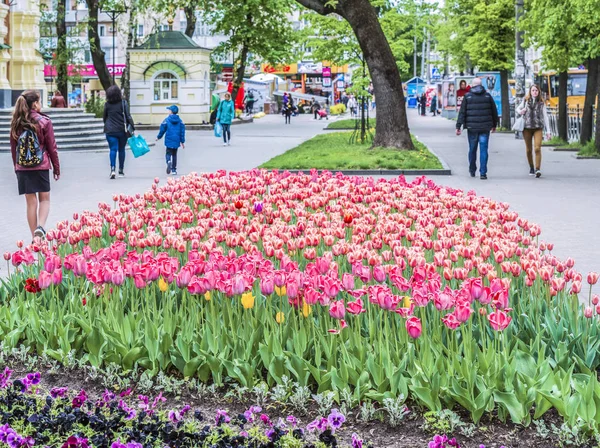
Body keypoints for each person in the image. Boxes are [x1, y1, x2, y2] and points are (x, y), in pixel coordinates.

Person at [9, 90, 60, 240]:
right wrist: (56, 168)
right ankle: (41, 227)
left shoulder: (16, 122)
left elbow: (14, 148)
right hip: (41, 165)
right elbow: (52, 147)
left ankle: (35, 239)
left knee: (31, 203)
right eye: (39, 101)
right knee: (44, 199)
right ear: (35, 104)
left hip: (23, 168)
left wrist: (16, 168)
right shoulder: (44, 121)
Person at [456, 78, 498, 180]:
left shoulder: (468, 96)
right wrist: (494, 125)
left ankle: (472, 169)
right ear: (481, 85)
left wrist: (458, 126)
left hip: (472, 128)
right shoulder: (487, 96)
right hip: (485, 128)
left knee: (472, 149)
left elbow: (462, 112)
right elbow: (494, 111)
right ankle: (483, 173)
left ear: (472, 85)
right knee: (484, 150)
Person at [516, 84, 551, 178]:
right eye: (533, 90)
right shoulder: (526, 100)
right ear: (530, 91)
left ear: (539, 92)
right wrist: (521, 111)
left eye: (536, 90)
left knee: (537, 148)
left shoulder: (541, 102)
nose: (535, 92)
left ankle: (537, 169)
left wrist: (548, 131)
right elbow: (517, 109)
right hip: (527, 128)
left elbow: (545, 117)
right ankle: (531, 167)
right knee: (528, 149)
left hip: (538, 127)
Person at [103, 85, 134, 179]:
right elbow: (128, 116)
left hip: (110, 130)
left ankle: (112, 169)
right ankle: (121, 170)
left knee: (113, 149)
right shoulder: (123, 103)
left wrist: (108, 125)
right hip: (122, 130)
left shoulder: (107, 104)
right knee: (121, 149)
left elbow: (104, 117)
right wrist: (132, 127)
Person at [156, 105, 186, 176]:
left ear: (171, 112)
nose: (168, 111)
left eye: (169, 110)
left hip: (169, 140)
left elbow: (162, 130)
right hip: (176, 140)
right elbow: (182, 132)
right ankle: (174, 170)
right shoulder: (180, 121)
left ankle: (168, 161)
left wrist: (158, 137)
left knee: (168, 153)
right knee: (174, 154)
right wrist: (182, 141)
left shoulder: (166, 120)